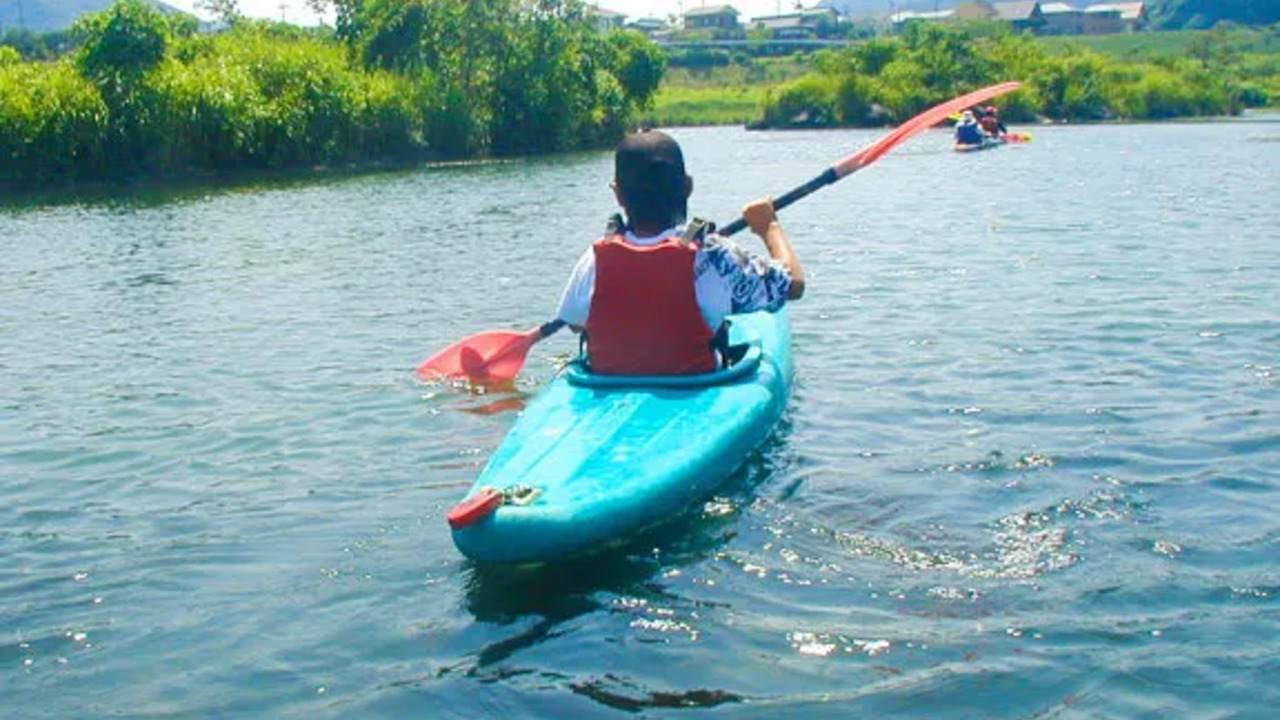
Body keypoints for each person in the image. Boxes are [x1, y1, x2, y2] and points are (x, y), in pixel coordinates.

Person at [556, 130, 805, 376]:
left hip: (610, 384)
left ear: (618, 194)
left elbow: (576, 323)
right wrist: (768, 227)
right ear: (688, 186)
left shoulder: (596, 257)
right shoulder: (713, 254)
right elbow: (793, 285)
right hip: (693, 383)